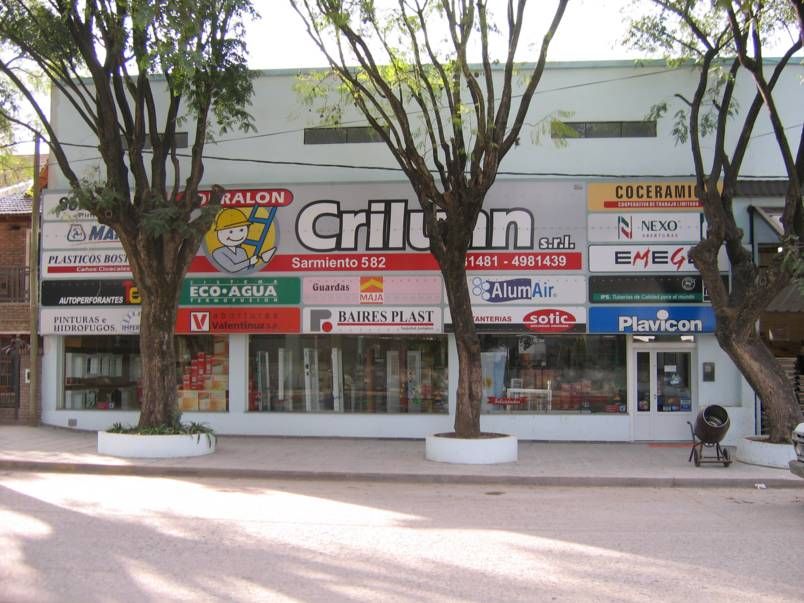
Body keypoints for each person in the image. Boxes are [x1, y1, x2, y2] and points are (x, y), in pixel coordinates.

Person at [211, 208, 275, 272]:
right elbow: (231, 268)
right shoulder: (217, 253)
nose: (237, 235)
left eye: (241, 230)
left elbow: (245, 269)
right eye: (230, 232)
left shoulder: (241, 251)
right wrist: (249, 261)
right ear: (219, 232)